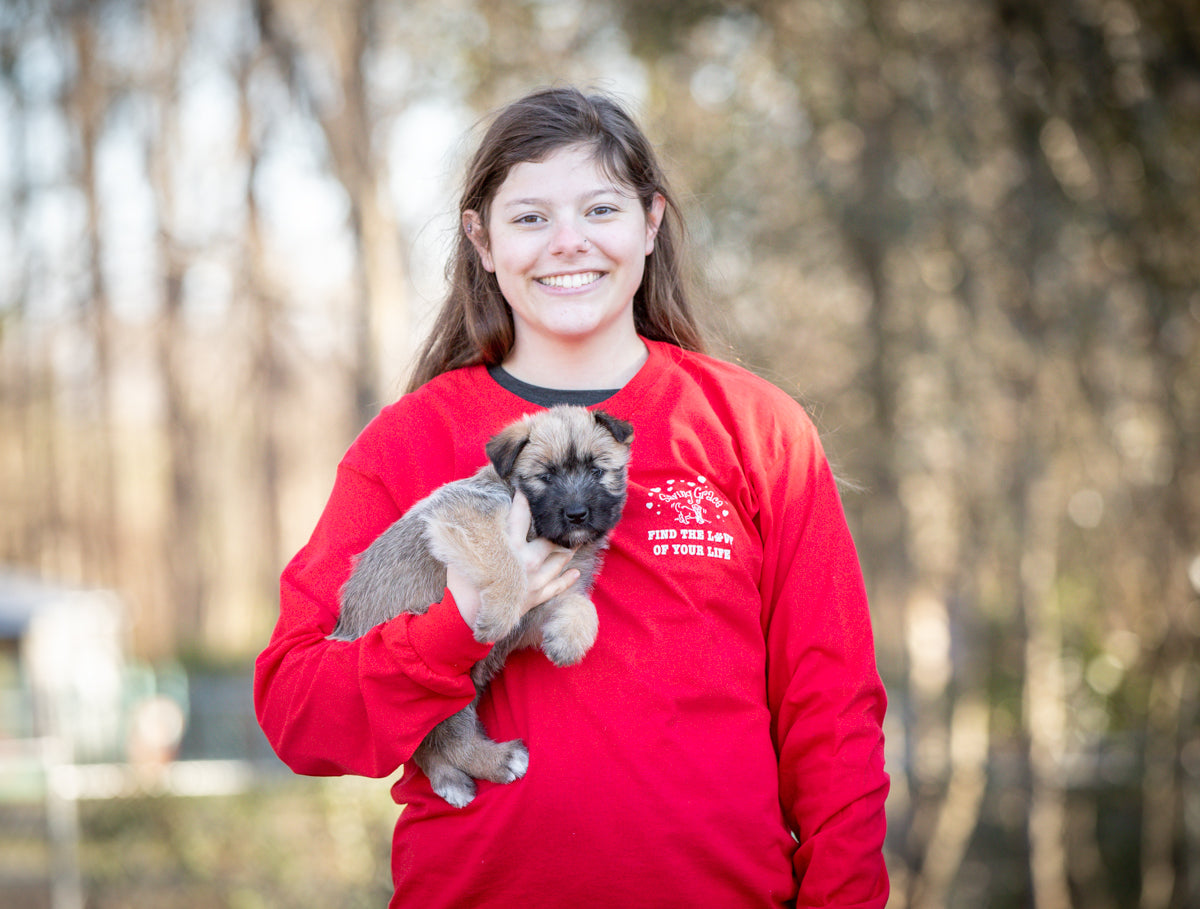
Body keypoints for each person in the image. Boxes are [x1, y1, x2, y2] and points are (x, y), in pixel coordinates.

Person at [255, 86, 890, 908]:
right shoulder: (407, 444)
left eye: (600, 208)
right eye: (529, 218)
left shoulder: (756, 429)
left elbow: (832, 713)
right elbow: (301, 713)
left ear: (651, 223)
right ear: (480, 240)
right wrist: (457, 624)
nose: (568, 243)